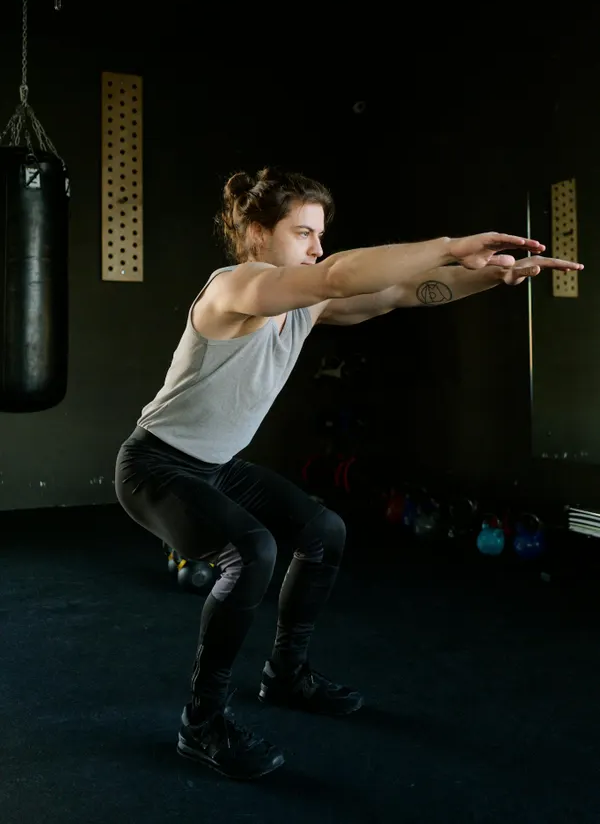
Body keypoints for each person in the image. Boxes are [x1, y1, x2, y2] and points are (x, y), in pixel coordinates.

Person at [114, 167, 583, 781]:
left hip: (216, 467)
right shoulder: (237, 288)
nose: (317, 247)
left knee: (322, 530)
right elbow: (336, 275)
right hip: (156, 467)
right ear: (257, 234)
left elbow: (398, 294)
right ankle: (202, 723)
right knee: (250, 552)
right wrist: (450, 245)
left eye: (320, 234)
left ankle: (285, 674)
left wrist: (489, 278)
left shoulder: (303, 306)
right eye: (303, 233)